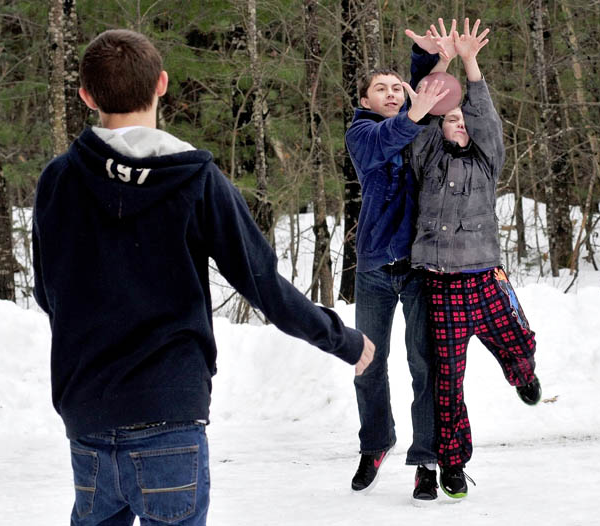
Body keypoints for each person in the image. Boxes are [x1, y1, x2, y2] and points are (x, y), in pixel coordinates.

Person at [32, 29, 375, 526]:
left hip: (87, 412)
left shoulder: (58, 179)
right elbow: (262, 284)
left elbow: (49, 292)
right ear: (162, 84)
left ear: (86, 95)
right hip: (168, 413)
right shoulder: (194, 180)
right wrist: (341, 339)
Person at [409, 19, 541, 500]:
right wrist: (441, 65)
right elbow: (422, 115)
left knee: (518, 340)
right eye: (451, 119)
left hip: (485, 279)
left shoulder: (487, 160)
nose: (459, 123)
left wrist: (470, 62)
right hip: (441, 287)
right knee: (448, 383)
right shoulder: (426, 159)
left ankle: (523, 375)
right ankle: (454, 463)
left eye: (463, 119)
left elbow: (484, 117)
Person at [344, 20, 459, 502]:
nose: (391, 93)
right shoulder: (362, 133)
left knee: (423, 364)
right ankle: (376, 443)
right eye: (381, 89)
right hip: (373, 268)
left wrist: (434, 62)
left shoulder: (417, 125)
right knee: (367, 363)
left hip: (418, 267)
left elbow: (427, 104)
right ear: (365, 101)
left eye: (398, 87)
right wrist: (414, 105)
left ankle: (426, 460)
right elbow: (391, 135)